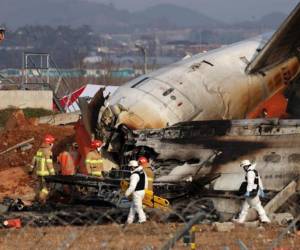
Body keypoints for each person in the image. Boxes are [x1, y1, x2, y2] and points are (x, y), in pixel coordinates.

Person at [234, 159, 271, 224]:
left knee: (256, 205)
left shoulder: (250, 172)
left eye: (243, 167)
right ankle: (241, 220)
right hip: (255, 191)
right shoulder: (254, 171)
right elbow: (259, 181)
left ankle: (265, 219)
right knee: (247, 206)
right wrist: (262, 190)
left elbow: (250, 183)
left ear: (246, 166)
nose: (243, 168)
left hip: (251, 192)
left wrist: (248, 191)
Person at [29, 134, 55, 203]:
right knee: (46, 188)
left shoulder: (39, 150)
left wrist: (30, 170)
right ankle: (39, 199)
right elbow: (49, 164)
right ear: (50, 143)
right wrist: (53, 174)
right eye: (52, 143)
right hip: (46, 174)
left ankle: (43, 200)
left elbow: (33, 160)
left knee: (41, 187)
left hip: (39, 172)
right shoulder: (48, 152)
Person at [125, 160, 148, 224]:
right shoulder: (142, 172)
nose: (129, 168)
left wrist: (126, 194)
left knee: (138, 207)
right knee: (133, 207)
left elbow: (132, 186)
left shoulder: (134, 175)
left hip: (137, 193)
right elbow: (146, 181)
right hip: (142, 191)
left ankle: (142, 220)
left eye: (130, 167)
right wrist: (144, 190)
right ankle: (129, 221)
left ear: (132, 167)